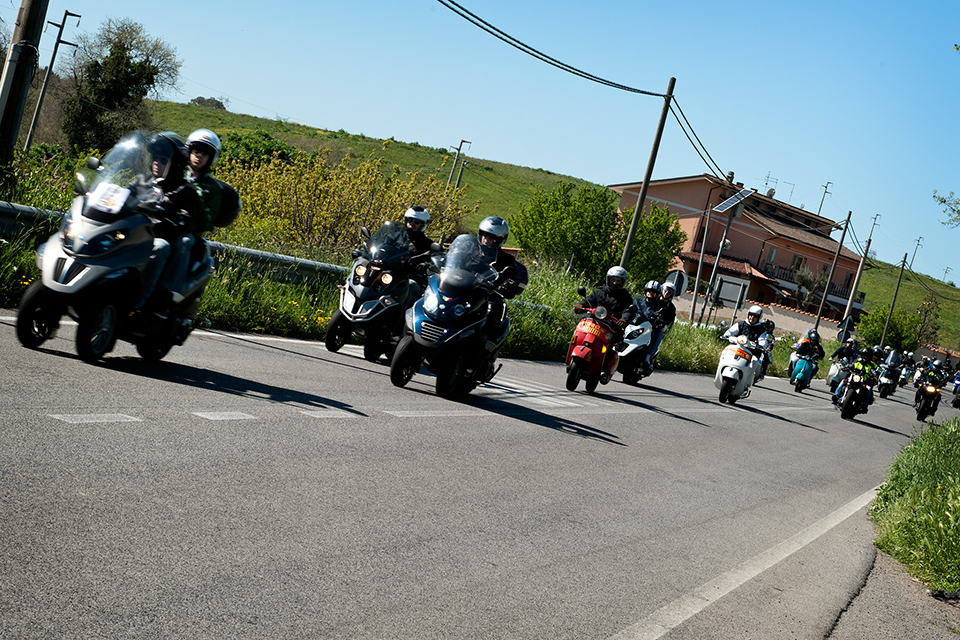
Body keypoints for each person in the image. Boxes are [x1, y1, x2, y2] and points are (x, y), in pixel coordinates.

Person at [133, 131, 200, 310]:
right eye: (155, 158)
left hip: (159, 237)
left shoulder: (185, 190)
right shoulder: (142, 180)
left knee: (161, 247)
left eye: (163, 160)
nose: (156, 163)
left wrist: (175, 216)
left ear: (176, 164)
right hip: (134, 231)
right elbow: (123, 195)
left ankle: (139, 306)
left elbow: (189, 219)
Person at [159, 129, 223, 303]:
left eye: (205, 154)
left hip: (187, 231)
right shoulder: (173, 173)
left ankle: (171, 293)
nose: (199, 156)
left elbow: (208, 220)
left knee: (184, 241)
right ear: (189, 152)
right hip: (164, 223)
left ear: (211, 158)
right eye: (196, 151)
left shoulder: (212, 188)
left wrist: (195, 197)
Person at [477, 216, 528, 345]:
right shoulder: (470, 251)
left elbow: (511, 277)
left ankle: (481, 346)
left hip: (488, 297)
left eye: (491, 237)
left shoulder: (506, 260)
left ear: (500, 240)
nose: (486, 239)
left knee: (491, 311)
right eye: (484, 234)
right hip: (465, 292)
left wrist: (506, 285)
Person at [575, 266, 637, 330]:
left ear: (622, 282)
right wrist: (581, 305)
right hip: (594, 324)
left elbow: (628, 310)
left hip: (613, 328)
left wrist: (624, 319)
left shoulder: (626, 297)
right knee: (580, 330)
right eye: (613, 280)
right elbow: (589, 299)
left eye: (618, 281)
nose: (615, 283)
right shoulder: (599, 292)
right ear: (609, 280)